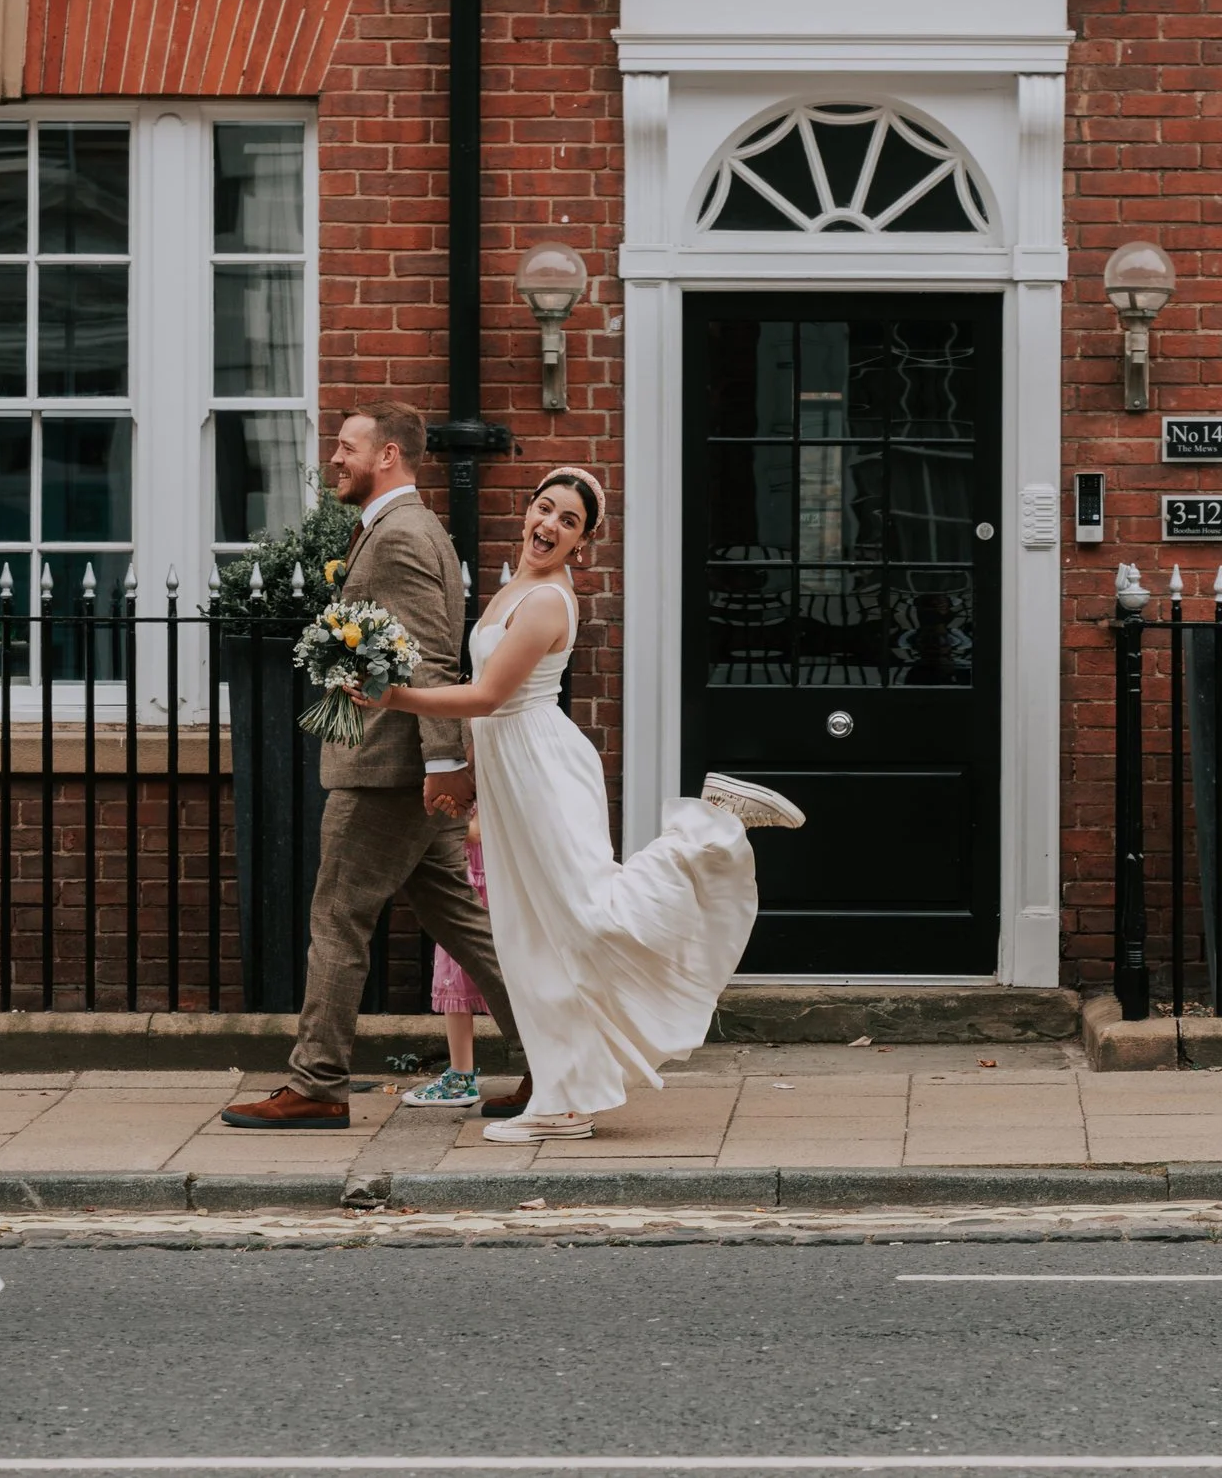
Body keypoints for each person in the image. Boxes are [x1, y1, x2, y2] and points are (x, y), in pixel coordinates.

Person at [365, 465, 803, 1143]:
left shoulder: (545, 602)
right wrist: (468, 774)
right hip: (512, 768)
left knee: (588, 916)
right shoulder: (518, 582)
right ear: (528, 510)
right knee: (529, 937)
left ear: (583, 544)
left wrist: (395, 697)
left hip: (542, 767)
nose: (550, 525)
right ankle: (563, 1100)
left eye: (569, 521)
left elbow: (486, 698)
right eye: (546, 509)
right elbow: (486, 702)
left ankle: (713, 821)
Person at [221, 404, 530, 1129]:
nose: (335, 457)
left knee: (337, 916)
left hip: (389, 770)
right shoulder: (397, 529)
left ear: (387, 455)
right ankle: (558, 1055)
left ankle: (318, 1080)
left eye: (346, 447)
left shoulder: (399, 535)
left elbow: (430, 656)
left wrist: (445, 760)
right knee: (462, 921)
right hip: (398, 765)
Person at [400, 823, 492, 1107]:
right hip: (470, 878)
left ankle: (462, 1078)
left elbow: (476, 831)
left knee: (482, 970)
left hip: (480, 883)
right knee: (455, 976)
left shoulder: (482, 783)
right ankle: (460, 1075)